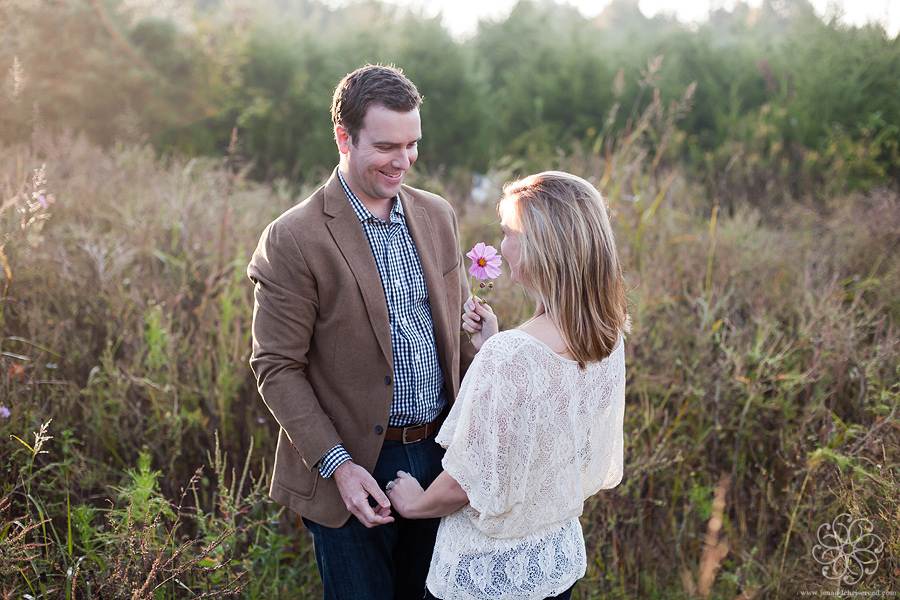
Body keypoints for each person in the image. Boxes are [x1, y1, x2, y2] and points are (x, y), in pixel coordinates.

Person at [247, 64, 476, 600]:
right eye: (386, 146)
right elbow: (276, 367)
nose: (403, 161)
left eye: (413, 144)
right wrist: (340, 468)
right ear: (343, 138)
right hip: (354, 466)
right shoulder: (293, 237)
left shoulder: (438, 215)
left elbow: (458, 337)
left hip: (443, 456)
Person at [386, 171, 630, 600]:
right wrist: (493, 347)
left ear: (539, 247)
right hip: (553, 563)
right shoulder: (608, 337)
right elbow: (551, 433)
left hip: (485, 576)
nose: (502, 247)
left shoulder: (511, 355)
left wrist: (414, 505)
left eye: (507, 233)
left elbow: (467, 481)